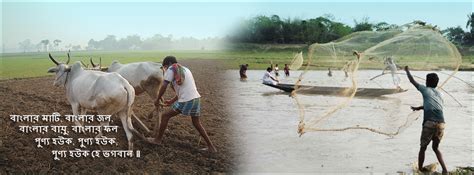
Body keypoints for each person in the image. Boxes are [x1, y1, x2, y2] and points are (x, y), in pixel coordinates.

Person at [148, 56, 217, 152]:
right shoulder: (185, 69)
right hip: (196, 98)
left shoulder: (171, 69)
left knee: (165, 116)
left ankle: (157, 140)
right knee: (196, 123)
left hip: (186, 100)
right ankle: (211, 147)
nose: (165, 69)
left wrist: (157, 99)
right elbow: (184, 89)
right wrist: (171, 101)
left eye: (164, 67)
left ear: (167, 64)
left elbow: (164, 86)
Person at [405, 66, 447, 174]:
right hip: (441, 123)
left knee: (423, 147)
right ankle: (445, 170)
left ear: (427, 82)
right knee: (436, 148)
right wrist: (419, 108)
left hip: (430, 123)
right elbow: (434, 107)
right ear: (436, 83)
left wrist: (407, 70)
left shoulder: (425, 89)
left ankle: (419, 170)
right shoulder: (441, 94)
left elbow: (412, 80)